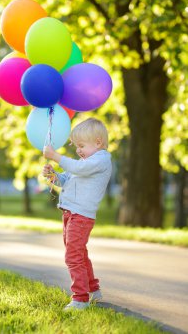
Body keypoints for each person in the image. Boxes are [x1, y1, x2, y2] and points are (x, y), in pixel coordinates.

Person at [43, 117, 112, 310]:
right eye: (76, 146)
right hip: (70, 214)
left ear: (98, 143)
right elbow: (66, 179)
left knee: (72, 256)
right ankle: (93, 290)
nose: (78, 150)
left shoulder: (101, 159)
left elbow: (78, 168)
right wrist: (53, 175)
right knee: (79, 254)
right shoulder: (85, 161)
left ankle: (80, 298)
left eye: (81, 145)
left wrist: (56, 156)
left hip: (81, 216)